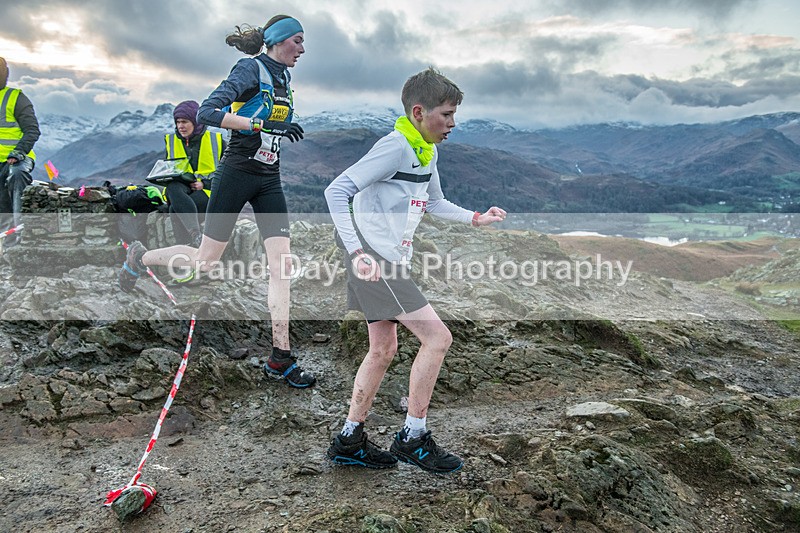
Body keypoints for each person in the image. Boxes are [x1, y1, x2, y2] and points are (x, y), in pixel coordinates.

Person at [324, 68, 507, 472]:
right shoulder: (394, 147)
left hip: (387, 257)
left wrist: (475, 218)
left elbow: (435, 201)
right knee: (438, 338)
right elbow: (336, 191)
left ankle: (349, 440)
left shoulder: (426, 149)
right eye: (447, 114)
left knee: (383, 348)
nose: (453, 124)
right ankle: (413, 436)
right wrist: (357, 252)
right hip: (375, 258)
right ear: (420, 112)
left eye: (455, 114)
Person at [118, 15, 315, 388]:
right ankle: (140, 257)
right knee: (206, 260)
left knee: (281, 265)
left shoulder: (284, 77)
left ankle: (280, 357)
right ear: (278, 40)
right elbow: (207, 112)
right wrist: (264, 127)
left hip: (268, 178)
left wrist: (273, 130)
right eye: (298, 41)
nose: (303, 49)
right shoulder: (249, 69)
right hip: (237, 173)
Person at [163, 100, 225, 248]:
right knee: (172, 187)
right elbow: (169, 169)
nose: (180, 126)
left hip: (209, 193)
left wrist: (204, 184)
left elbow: (229, 175)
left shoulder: (216, 140)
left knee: (174, 210)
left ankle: (184, 251)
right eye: (178, 122)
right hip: (182, 190)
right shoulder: (171, 141)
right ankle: (196, 236)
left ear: (196, 121)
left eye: (185, 122)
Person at [0, 57, 40, 247]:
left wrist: (18, 153)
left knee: (17, 177)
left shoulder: (16, 98)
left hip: (17, 160)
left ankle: (19, 236)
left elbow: (32, 130)